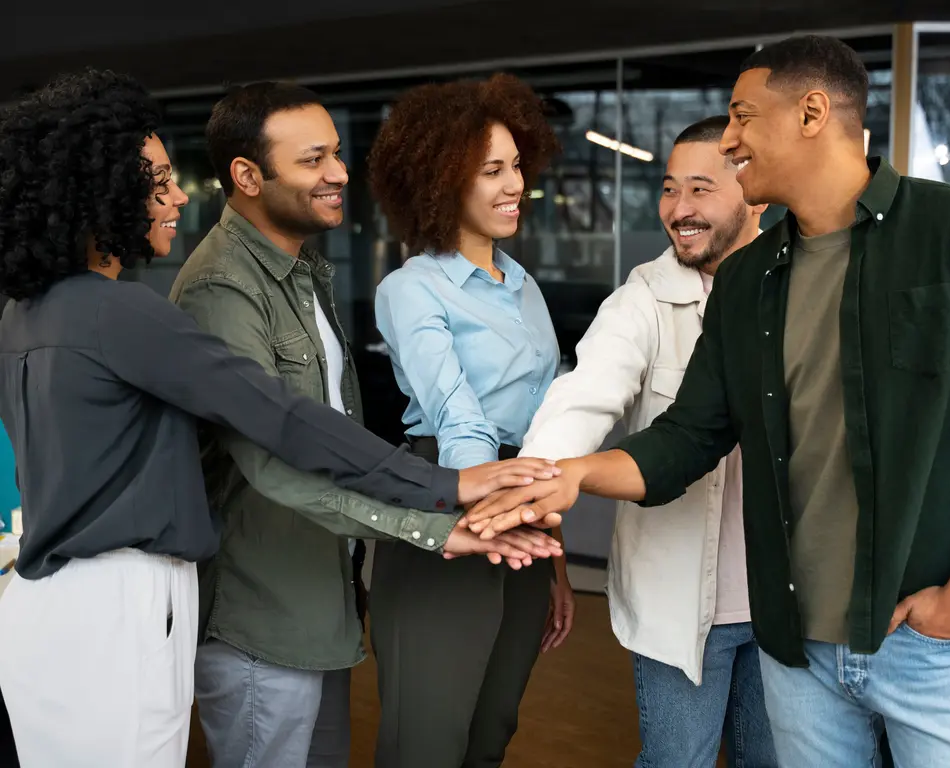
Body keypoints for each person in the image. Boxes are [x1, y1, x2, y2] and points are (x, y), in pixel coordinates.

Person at [465, 35, 950, 768]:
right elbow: (689, 437)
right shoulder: (749, 280)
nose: (729, 142)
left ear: (813, 112)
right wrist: (568, 476)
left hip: (928, 643)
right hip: (795, 654)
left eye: (742, 117)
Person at [0, 69, 562, 768]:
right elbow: (281, 430)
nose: (178, 195)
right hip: (134, 601)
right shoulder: (144, 308)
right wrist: (443, 496)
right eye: (157, 181)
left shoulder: (28, 312)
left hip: (67, 597)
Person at [170, 81, 463, 768]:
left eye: (335, 153)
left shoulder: (301, 268)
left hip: (320, 598)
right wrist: (434, 522)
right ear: (246, 176)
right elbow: (273, 462)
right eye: (313, 160)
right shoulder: (221, 287)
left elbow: (330, 431)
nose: (339, 172)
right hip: (258, 618)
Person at [520, 115, 775, 767]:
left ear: (756, 193)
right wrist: (536, 483)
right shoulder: (643, 299)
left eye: (700, 189)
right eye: (668, 188)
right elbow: (588, 391)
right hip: (679, 611)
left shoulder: (795, 287)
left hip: (785, 606)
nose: (678, 210)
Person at [367, 73, 572, 768]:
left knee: (492, 731)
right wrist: (497, 511)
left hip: (523, 510)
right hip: (445, 497)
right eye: (492, 170)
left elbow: (545, 424)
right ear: (443, 177)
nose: (514, 183)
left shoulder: (524, 286)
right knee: (427, 740)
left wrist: (553, 548)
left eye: (517, 165)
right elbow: (458, 418)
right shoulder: (411, 288)